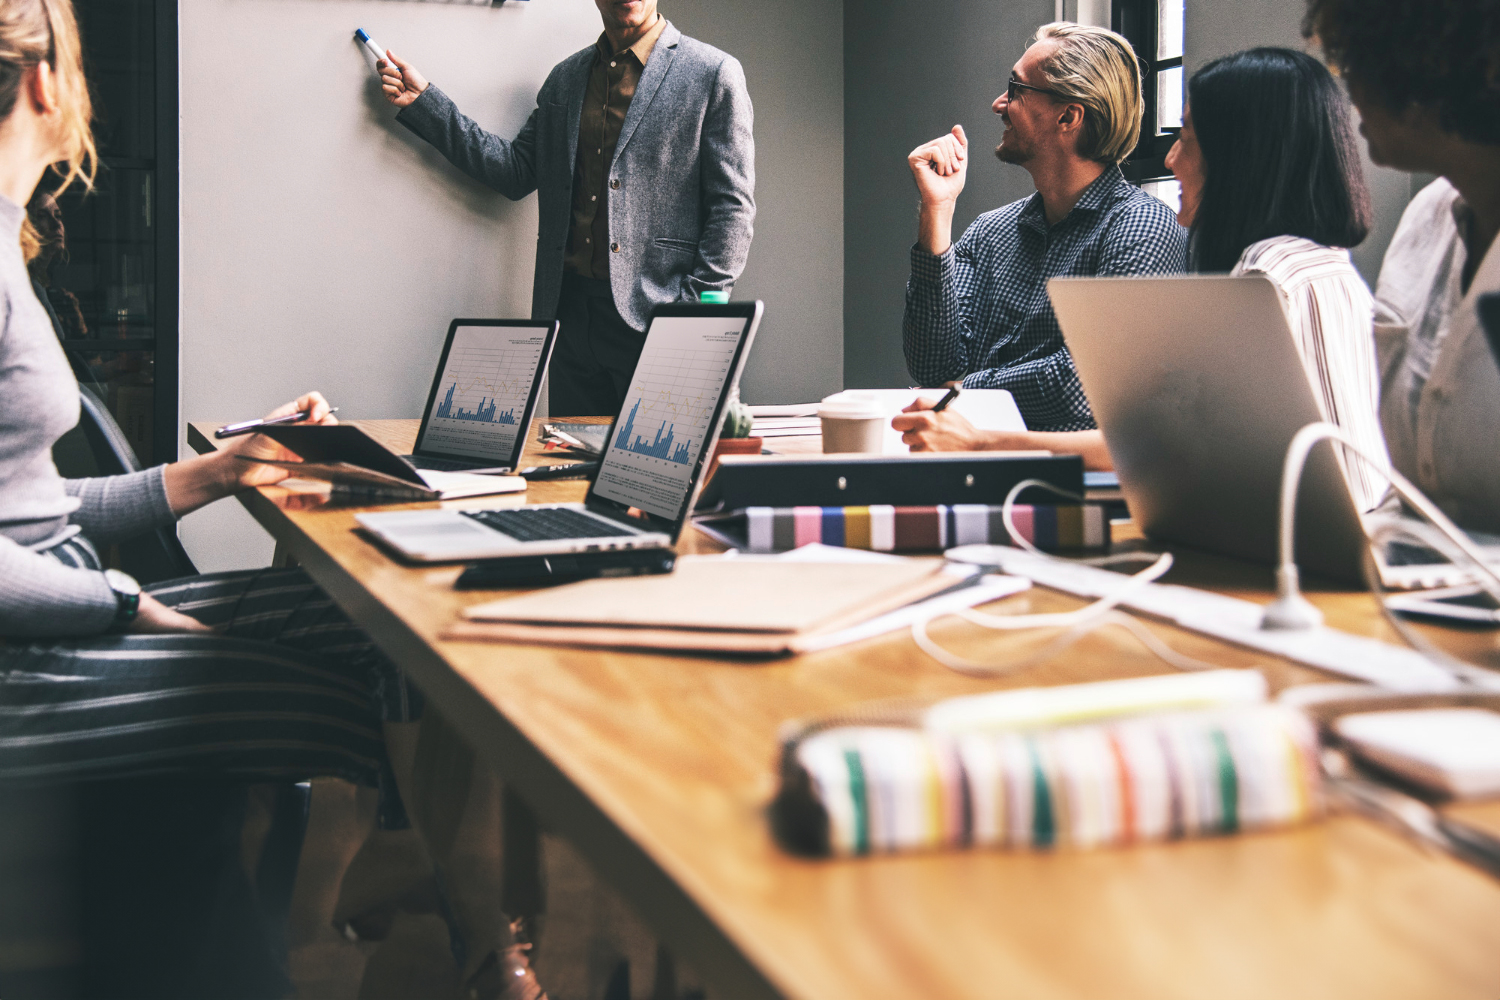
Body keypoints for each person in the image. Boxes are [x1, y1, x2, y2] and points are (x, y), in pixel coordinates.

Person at [0, 4, 540, 996]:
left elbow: (30, 507)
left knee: (407, 611)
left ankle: (418, 887)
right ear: (46, 82)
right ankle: (357, 921)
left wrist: (222, 468)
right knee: (365, 672)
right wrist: (129, 608)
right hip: (33, 674)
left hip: (59, 623)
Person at [899, 46, 1389, 515]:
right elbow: (933, 363)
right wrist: (937, 215)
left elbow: (1151, 433)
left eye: (1186, 138)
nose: (1170, 159)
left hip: (1317, 558)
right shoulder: (1309, 268)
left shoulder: (1265, 279)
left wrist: (970, 411)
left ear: (1239, 158)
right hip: (1322, 543)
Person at [379, 0, 755, 417]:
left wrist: (692, 314)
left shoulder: (713, 73)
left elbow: (733, 208)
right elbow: (516, 171)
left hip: (658, 318)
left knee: (653, 474)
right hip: (568, 318)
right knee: (569, 472)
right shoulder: (566, 79)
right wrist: (427, 104)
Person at [898, 21, 1187, 438]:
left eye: (1015, 89)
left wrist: (962, 393)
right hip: (968, 466)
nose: (999, 103)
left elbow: (1086, 385)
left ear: (1068, 116)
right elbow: (932, 367)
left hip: (1069, 486)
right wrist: (936, 211)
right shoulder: (989, 232)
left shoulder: (1141, 227)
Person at [1306, 0, 1500, 533]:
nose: (1349, 91)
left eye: (1357, 65)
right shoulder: (1425, 220)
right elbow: (1410, 495)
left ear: (1422, 70)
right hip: (1411, 586)